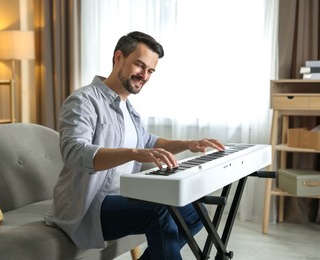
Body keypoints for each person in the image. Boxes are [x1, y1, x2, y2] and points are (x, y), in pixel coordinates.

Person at [45, 31, 225, 260]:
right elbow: (74, 152)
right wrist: (133, 154)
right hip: (89, 205)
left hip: (124, 196)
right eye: (139, 66)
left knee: (194, 214)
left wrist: (188, 144)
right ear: (118, 57)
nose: (145, 76)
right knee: (159, 211)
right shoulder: (83, 100)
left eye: (150, 71)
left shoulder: (130, 110)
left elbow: (148, 142)